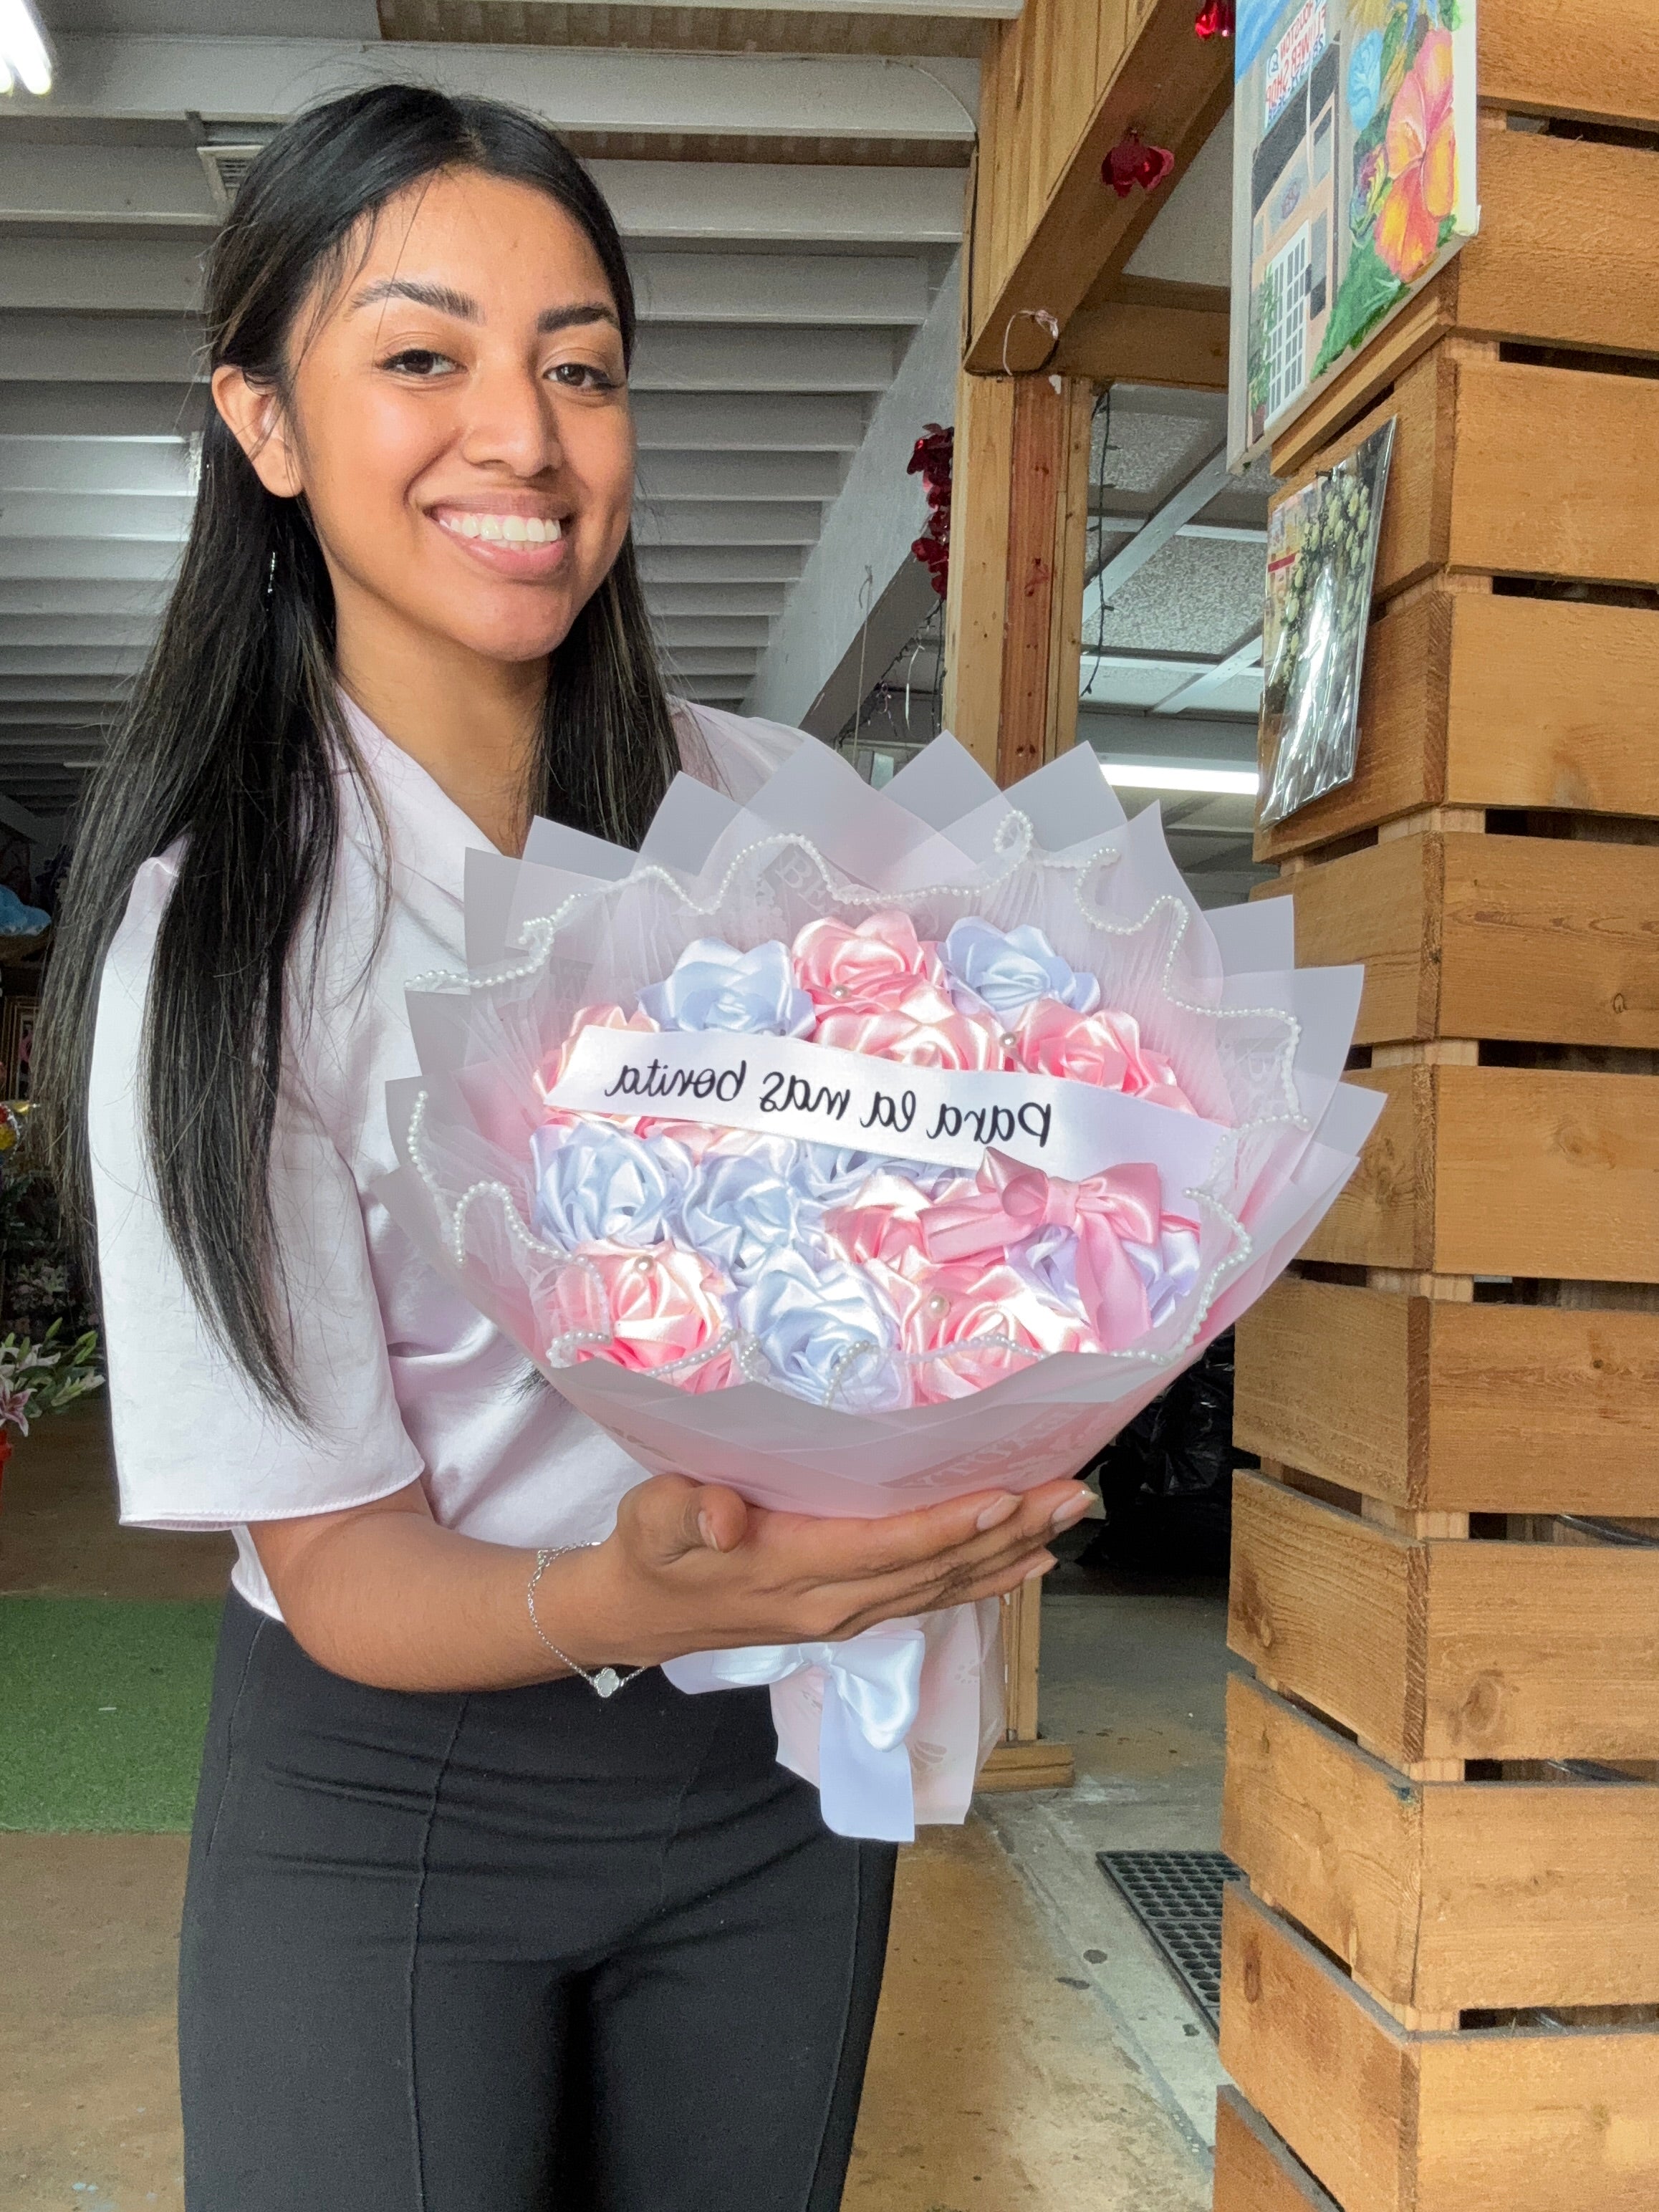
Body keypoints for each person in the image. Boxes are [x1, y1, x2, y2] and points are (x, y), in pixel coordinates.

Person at [38, 87, 1092, 2212]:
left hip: (778, 1767)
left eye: (580, 367)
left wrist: (1020, 1351)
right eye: (421, 356)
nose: (521, 434)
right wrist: (619, 1581)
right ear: (260, 420)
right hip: (402, 1786)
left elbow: (955, 1199)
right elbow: (336, 1564)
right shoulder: (229, 947)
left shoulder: (779, 821)